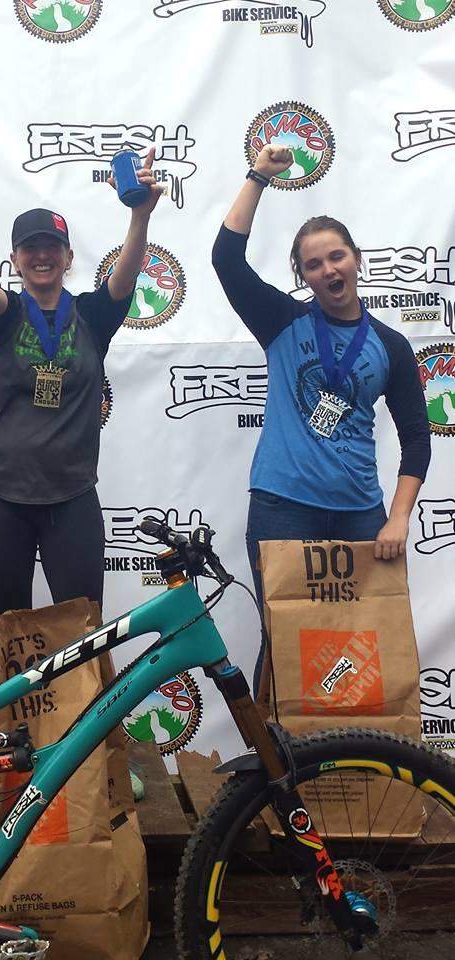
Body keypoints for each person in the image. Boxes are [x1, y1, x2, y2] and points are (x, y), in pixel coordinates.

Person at [212, 144, 431, 693]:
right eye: (314, 264)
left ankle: (351, 768)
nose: (328, 269)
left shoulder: (391, 346)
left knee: (358, 647)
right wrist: (258, 177)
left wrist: (399, 518)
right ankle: (274, 775)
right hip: (283, 510)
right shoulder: (281, 322)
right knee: (282, 639)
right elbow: (226, 260)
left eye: (337, 256)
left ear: (355, 259)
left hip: (362, 517)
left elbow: (417, 441)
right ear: (303, 276)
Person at [0, 150, 164, 620]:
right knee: (6, 632)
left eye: (52, 247)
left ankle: (89, 701)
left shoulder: (92, 315)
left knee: (85, 630)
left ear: (69, 257)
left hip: (71, 499)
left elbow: (125, 279)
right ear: (16, 259)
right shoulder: (4, 314)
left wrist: (139, 217)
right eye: (31, 247)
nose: (42, 255)